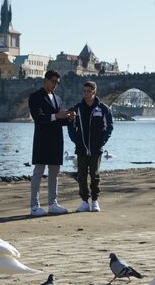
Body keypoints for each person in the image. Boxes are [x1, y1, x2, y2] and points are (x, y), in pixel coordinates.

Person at [28, 70, 75, 216]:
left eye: (57, 83)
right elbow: (38, 117)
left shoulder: (58, 99)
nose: (55, 85)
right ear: (46, 80)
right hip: (42, 138)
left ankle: (52, 203)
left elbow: (59, 120)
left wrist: (69, 118)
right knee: (38, 172)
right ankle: (34, 206)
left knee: (54, 172)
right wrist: (56, 116)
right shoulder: (35, 96)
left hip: (56, 139)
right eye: (53, 81)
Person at [67, 81, 113, 212]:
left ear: (94, 92)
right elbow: (70, 125)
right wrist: (75, 140)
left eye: (89, 91)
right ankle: (84, 201)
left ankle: (95, 201)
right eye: (84, 91)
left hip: (96, 148)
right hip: (81, 147)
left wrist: (102, 142)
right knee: (81, 175)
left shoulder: (103, 109)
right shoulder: (76, 108)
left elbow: (109, 127)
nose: (86, 94)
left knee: (95, 175)